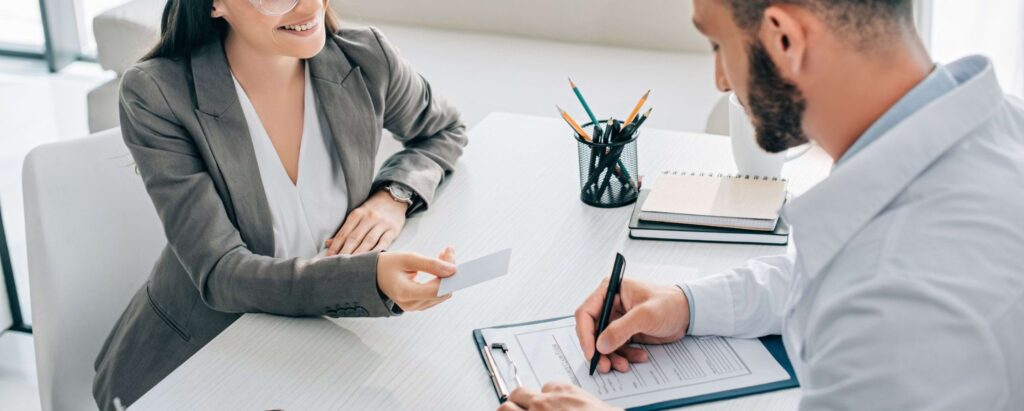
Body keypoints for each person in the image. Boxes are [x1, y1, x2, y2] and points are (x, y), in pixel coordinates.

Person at [502, 0, 1024, 409]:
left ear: (783, 37)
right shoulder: (998, 129)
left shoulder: (895, 306)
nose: (721, 80)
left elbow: (875, 283)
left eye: (716, 43)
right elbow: (826, 271)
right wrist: (687, 305)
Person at [93, 0, 468, 408]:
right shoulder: (157, 93)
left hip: (323, 346)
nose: (309, 6)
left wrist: (393, 195)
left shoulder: (367, 56)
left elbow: (444, 130)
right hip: (204, 359)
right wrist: (370, 280)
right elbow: (222, 274)